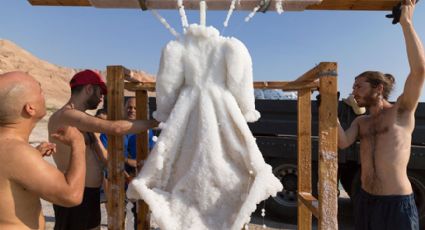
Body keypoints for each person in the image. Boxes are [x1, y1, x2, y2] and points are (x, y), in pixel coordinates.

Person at [338, 1, 424, 229]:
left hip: (397, 205)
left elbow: (419, 71)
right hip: (366, 200)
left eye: (359, 86)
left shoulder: (401, 111)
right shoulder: (361, 121)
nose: (353, 91)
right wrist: (327, 110)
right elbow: (342, 142)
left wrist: (406, 23)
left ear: (378, 89)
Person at [48, 70, 158, 230]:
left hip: (88, 196)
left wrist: (128, 178)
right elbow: (115, 128)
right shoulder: (67, 115)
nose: (102, 98)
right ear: (88, 89)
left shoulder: (80, 120)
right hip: (74, 196)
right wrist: (156, 122)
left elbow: (104, 158)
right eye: (100, 92)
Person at [0, 71, 86, 229]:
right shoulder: (17, 153)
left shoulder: (11, 150)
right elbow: (71, 195)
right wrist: (78, 142)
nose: (43, 94)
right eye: (39, 90)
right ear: (30, 108)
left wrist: (34, 154)